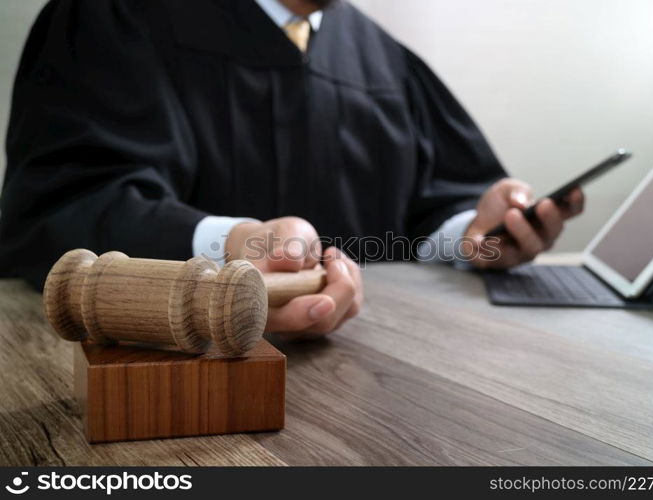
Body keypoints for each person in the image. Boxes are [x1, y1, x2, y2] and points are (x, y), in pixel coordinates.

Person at [0, 0, 584, 336]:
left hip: (376, 388)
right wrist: (237, 246)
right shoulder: (116, 15)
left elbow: (418, 223)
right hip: (171, 383)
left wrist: (473, 238)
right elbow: (58, 210)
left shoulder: (385, 60)